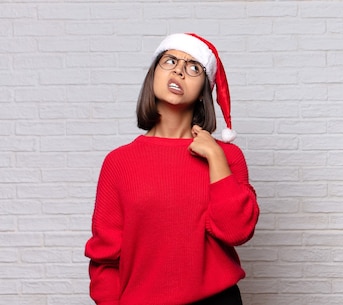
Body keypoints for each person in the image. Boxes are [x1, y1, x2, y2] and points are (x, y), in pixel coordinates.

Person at [85, 33, 260, 305]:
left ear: (204, 89)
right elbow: (105, 257)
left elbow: (237, 231)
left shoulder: (227, 156)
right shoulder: (119, 162)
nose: (179, 69)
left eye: (193, 67)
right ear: (153, 74)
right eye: (170, 60)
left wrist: (215, 157)